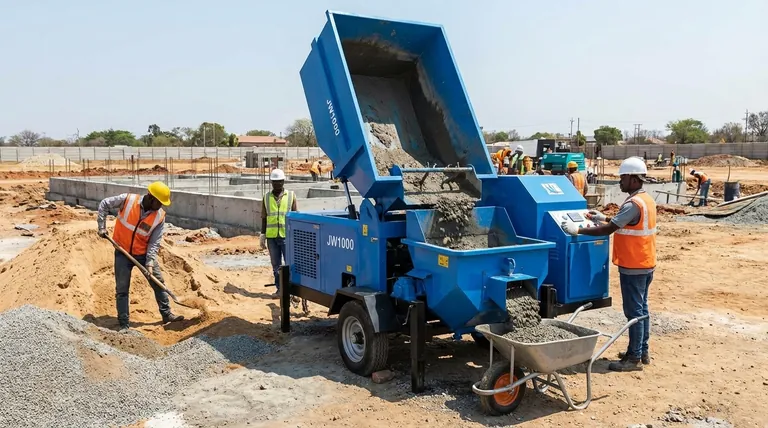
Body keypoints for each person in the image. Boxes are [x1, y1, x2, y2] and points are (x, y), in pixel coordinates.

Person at [560, 156, 656, 372]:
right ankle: (642, 351)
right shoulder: (645, 199)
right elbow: (619, 223)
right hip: (646, 261)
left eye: (622, 178)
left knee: (634, 312)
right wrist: (602, 217)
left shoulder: (633, 203)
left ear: (632, 178)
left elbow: (608, 230)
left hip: (634, 265)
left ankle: (633, 359)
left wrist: (580, 230)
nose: (620, 182)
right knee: (642, 309)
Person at [96, 181, 184, 331]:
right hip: (122, 252)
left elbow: (154, 242)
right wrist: (102, 227)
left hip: (143, 254)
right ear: (150, 197)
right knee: (122, 289)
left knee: (158, 282)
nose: (161, 206)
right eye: (159, 202)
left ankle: (167, 314)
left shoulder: (159, 217)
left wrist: (149, 263)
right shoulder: (128, 200)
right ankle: (124, 323)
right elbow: (104, 203)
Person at [260, 168, 297, 298]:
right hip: (271, 237)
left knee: (289, 264)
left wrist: (295, 236)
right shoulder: (266, 197)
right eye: (274, 182)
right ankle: (280, 289)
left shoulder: (291, 196)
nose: (277, 184)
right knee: (276, 265)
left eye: (279, 182)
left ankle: (291, 290)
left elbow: (295, 217)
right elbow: (264, 218)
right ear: (271, 182)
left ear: (283, 182)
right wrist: (262, 235)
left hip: (286, 236)